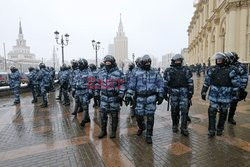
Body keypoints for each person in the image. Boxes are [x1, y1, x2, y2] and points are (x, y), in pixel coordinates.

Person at [125, 55, 164, 144]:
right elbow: (131, 85)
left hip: (151, 98)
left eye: (149, 63)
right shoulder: (136, 72)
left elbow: (160, 84)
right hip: (139, 98)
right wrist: (128, 95)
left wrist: (161, 95)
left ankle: (149, 135)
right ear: (142, 63)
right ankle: (142, 127)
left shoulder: (155, 72)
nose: (147, 64)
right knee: (138, 115)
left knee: (150, 117)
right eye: (146, 63)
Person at [201, 52, 241, 137]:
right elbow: (207, 81)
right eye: (217, 59)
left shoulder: (232, 70)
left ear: (225, 60)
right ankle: (211, 130)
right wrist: (204, 91)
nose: (218, 60)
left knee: (223, 112)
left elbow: (236, 84)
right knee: (211, 111)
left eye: (220, 59)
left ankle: (220, 128)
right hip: (214, 96)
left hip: (225, 96)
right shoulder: (212, 69)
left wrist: (235, 95)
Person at [95, 55, 125, 139]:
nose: (107, 64)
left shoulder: (118, 73)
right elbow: (97, 83)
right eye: (106, 62)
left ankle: (113, 131)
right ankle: (103, 131)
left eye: (109, 62)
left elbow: (122, 84)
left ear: (112, 63)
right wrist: (96, 93)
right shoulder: (101, 72)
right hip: (104, 97)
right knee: (103, 115)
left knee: (114, 115)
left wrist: (121, 94)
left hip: (114, 97)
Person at [163, 54, 194, 136]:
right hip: (173, 93)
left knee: (184, 111)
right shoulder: (169, 70)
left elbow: (190, 82)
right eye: (176, 61)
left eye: (179, 61)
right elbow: (165, 83)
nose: (178, 62)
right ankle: (175, 125)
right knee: (174, 110)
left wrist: (190, 92)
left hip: (184, 93)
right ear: (173, 61)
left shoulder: (186, 70)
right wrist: (164, 93)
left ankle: (184, 128)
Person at [225, 52, 248, 125]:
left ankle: (230, 117)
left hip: (235, 88)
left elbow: (244, 78)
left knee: (233, 103)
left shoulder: (240, 66)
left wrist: (242, 88)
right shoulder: (226, 65)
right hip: (226, 88)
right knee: (224, 103)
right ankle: (223, 118)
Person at [75, 59, 93, 127]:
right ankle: (87, 118)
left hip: (86, 91)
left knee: (85, 105)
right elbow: (76, 80)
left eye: (80, 64)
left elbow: (91, 83)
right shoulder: (78, 71)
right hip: (79, 91)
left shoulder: (89, 72)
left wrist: (90, 92)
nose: (79, 65)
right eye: (78, 64)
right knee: (83, 105)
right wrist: (74, 89)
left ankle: (83, 120)